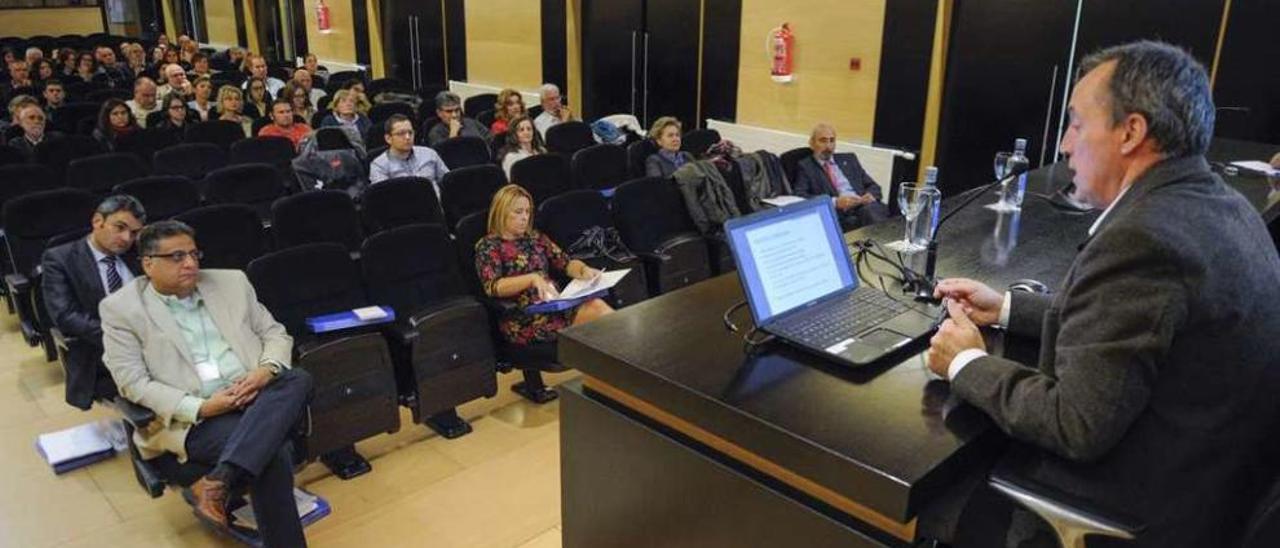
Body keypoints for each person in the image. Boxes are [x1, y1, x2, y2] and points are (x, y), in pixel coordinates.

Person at [926, 41, 1280, 547]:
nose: (1065, 145)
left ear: (1131, 132)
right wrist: (1007, 307)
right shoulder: (1219, 204)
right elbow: (1141, 324)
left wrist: (966, 364)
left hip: (1136, 511)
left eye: (1075, 123)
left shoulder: (1145, 238)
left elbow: (1075, 424)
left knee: (930, 492)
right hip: (1210, 479)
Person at [100, 220, 311, 546]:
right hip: (196, 417)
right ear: (148, 264)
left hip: (258, 394)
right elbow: (132, 383)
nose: (190, 263)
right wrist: (202, 407)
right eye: (176, 257)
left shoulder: (232, 282)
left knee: (298, 377)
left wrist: (264, 371)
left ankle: (217, 481)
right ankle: (226, 485)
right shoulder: (121, 309)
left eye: (194, 254)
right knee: (273, 453)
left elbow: (274, 334)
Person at [474, 184, 614, 348]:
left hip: (555, 307)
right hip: (524, 318)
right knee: (600, 321)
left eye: (527, 212)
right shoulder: (489, 246)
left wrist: (583, 270)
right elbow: (494, 286)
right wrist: (531, 279)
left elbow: (566, 263)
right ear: (501, 212)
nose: (525, 217)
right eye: (518, 212)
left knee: (598, 309)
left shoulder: (535, 238)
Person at [41, 195, 145, 410]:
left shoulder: (139, 252)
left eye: (134, 232)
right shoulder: (60, 258)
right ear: (98, 221)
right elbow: (66, 316)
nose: (126, 238)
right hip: (102, 348)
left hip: (154, 340)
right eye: (120, 227)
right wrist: (121, 337)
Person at [791, 123, 888, 231]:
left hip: (864, 205)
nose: (828, 146)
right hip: (841, 213)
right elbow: (800, 196)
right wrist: (834, 202)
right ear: (812, 143)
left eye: (832, 140)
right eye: (823, 140)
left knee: (875, 210)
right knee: (872, 214)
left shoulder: (849, 159)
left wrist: (870, 196)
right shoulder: (806, 166)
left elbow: (874, 186)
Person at [369, 114, 449, 197]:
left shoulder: (429, 154)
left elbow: (447, 182)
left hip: (436, 206)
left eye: (410, 132)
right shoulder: (379, 166)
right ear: (388, 138)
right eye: (401, 133)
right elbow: (384, 198)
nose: (408, 137)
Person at [499, 115, 546, 179]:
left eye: (529, 129)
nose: (526, 132)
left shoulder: (542, 150)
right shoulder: (511, 157)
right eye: (521, 130)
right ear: (514, 134)